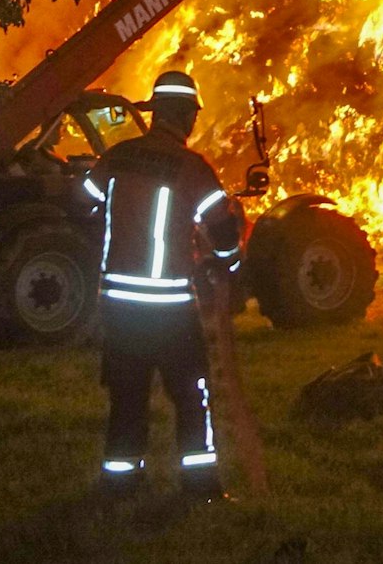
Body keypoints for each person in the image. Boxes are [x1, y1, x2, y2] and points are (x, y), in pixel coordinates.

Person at [82, 69, 241, 501]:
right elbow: (222, 230)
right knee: (191, 397)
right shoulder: (191, 168)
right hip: (169, 307)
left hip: (117, 305)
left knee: (127, 398)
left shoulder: (118, 156)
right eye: (191, 114)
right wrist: (230, 265)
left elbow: (88, 199)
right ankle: (201, 488)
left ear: (155, 114)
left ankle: (119, 485)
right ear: (185, 115)